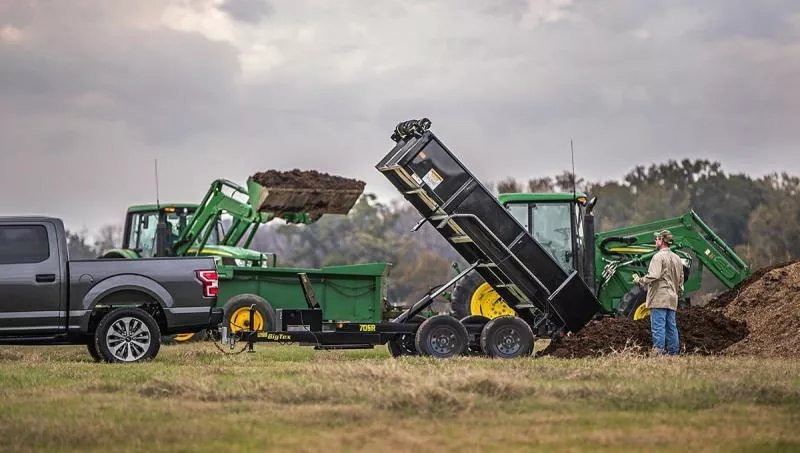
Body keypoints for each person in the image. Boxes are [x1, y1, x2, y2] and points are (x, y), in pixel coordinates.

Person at [633, 230, 684, 355]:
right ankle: (673, 353)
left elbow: (654, 275)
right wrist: (677, 293)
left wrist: (640, 280)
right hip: (672, 298)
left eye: (657, 239)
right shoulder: (677, 258)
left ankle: (658, 352)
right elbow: (681, 280)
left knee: (658, 326)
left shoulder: (658, 257)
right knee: (671, 326)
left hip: (659, 297)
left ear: (661, 240)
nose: (655, 241)